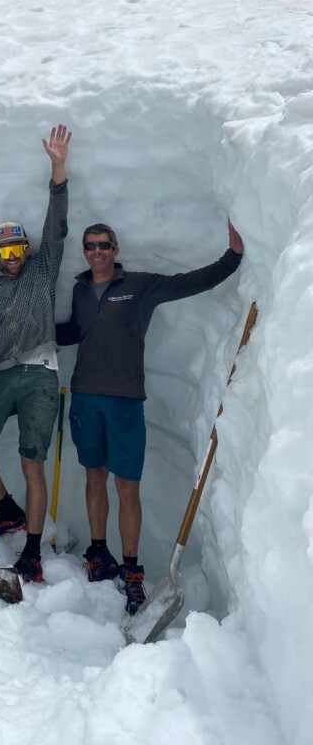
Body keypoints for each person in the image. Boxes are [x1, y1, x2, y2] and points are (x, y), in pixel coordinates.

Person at [55, 220, 244, 614]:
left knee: (127, 485)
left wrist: (231, 259)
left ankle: (131, 569)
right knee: (94, 475)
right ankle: (98, 552)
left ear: (116, 250)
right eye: (90, 245)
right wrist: (28, 331)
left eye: (104, 245)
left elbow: (186, 283)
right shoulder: (79, 289)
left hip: (125, 400)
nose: (97, 251)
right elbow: (75, 331)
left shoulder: (139, 286)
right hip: (86, 397)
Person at [0, 124, 71, 584]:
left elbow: (56, 225)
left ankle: (33, 553)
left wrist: (57, 168)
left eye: (18, 247)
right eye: (5, 249)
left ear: (26, 248)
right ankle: (7, 509)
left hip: (41, 371)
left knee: (31, 462)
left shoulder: (43, 269)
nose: (12, 255)